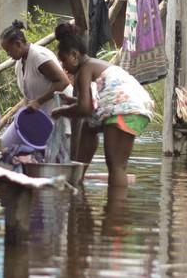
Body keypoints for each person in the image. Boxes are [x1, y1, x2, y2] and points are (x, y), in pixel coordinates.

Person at [51, 22, 155, 187]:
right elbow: (91, 104)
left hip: (125, 109)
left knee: (116, 166)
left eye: (63, 61)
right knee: (89, 127)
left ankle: (115, 211)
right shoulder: (92, 65)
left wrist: (61, 111)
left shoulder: (84, 70)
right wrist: (71, 102)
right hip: (130, 106)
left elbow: (85, 109)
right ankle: (78, 177)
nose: (63, 67)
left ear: (74, 55)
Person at [0, 20, 71, 155]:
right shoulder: (19, 63)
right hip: (44, 118)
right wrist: (19, 112)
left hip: (60, 113)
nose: (8, 54)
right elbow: (29, 96)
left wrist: (39, 101)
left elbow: (63, 81)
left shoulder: (38, 56)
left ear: (18, 44)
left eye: (8, 50)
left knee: (57, 158)